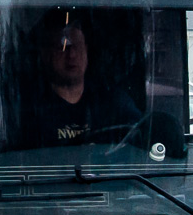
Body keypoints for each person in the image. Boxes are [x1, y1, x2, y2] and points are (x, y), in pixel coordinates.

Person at [20, 11, 142, 149]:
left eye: (77, 46)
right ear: (45, 54)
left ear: (86, 50)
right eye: (62, 48)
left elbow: (139, 137)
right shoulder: (30, 110)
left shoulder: (113, 102)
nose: (71, 55)